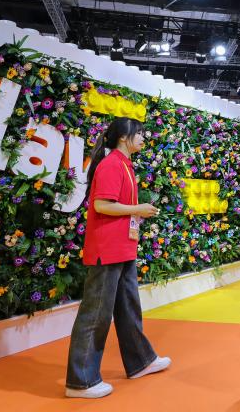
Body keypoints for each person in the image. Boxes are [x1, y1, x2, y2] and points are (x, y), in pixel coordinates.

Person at [66, 118, 172, 398]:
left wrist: (136, 211)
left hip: (123, 247)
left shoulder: (124, 164)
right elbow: (102, 205)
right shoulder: (112, 164)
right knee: (96, 314)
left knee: (128, 308)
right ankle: (80, 381)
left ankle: (141, 361)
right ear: (124, 137)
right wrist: (137, 209)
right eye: (139, 134)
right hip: (108, 248)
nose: (143, 138)